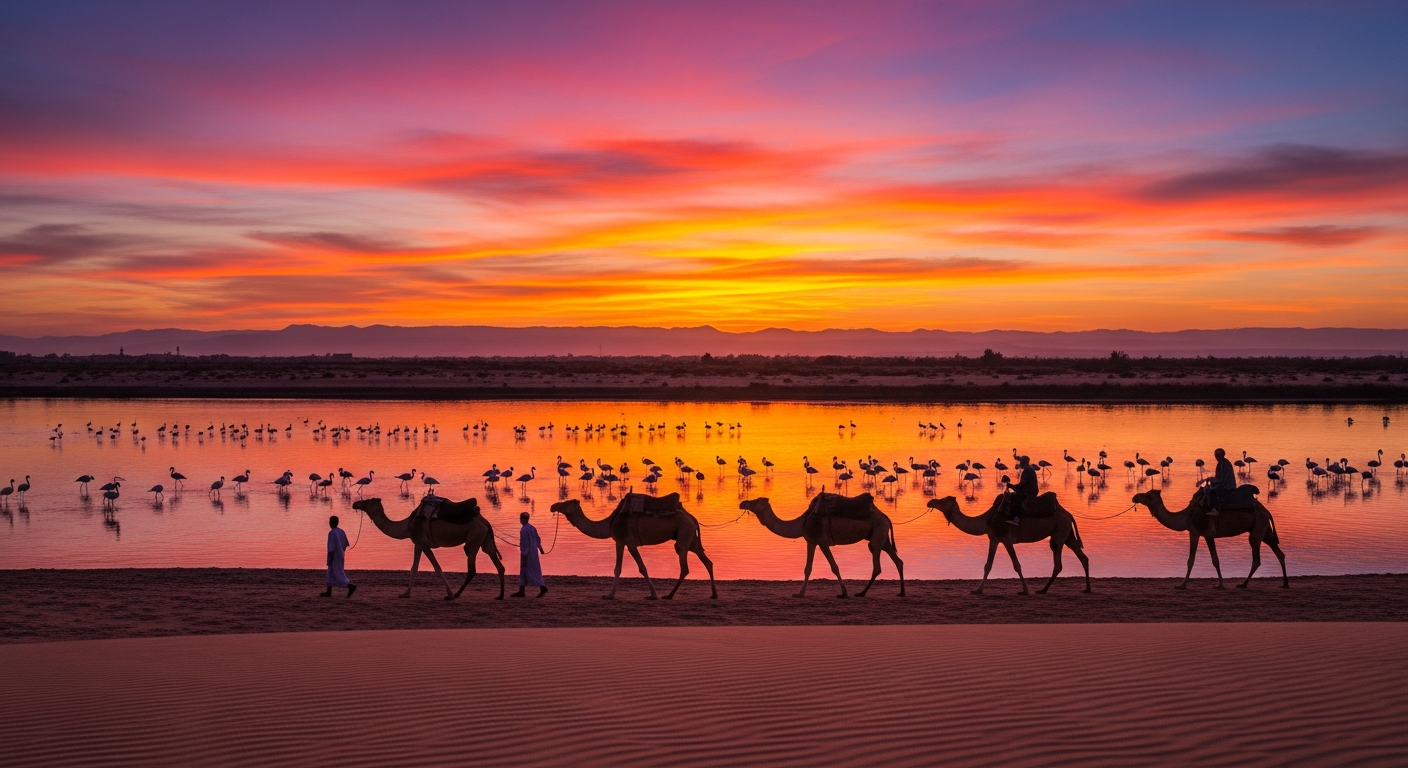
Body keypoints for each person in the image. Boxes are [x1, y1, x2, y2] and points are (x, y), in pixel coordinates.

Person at [512, 511, 548, 598]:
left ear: (523, 519)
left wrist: (524, 556)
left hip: (527, 554)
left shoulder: (524, 530)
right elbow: (538, 539)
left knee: (529, 570)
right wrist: (541, 549)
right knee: (531, 570)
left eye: (521, 518)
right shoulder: (532, 528)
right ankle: (521, 591)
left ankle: (542, 587)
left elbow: (525, 544)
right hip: (534, 553)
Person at [321, 515, 356, 598]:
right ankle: (328, 591)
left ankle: (350, 586)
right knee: (331, 573)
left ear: (331, 523)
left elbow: (331, 548)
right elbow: (346, 544)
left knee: (337, 573)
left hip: (334, 556)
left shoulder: (332, 533)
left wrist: (330, 559)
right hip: (341, 555)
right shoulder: (341, 531)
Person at [1202, 447, 1236, 517]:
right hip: (1223, 483)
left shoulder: (1225, 464)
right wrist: (1211, 479)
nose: (1217, 457)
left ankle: (1215, 509)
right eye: (1216, 455)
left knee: (1213, 491)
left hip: (1227, 485)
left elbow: (1224, 478)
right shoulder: (1220, 464)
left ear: (1222, 455)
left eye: (1218, 455)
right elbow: (1218, 477)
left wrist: (1214, 481)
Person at [1006, 455, 1039, 526]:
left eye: (1021, 461)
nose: (1020, 463)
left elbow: (1022, 484)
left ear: (1023, 462)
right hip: (1029, 489)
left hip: (1029, 491)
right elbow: (1023, 484)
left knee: (1014, 499)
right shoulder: (1029, 469)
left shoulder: (1027, 470)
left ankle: (1016, 518)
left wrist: (1012, 486)